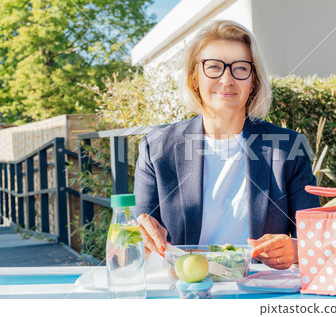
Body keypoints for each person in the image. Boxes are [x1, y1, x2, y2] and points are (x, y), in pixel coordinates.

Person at [134, 20, 320, 270]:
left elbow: (314, 241)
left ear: (252, 80)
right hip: (186, 290)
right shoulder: (156, 149)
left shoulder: (289, 149)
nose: (227, 79)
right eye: (213, 67)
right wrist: (136, 237)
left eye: (240, 68)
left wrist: (297, 250)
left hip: (261, 291)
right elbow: (135, 245)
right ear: (194, 78)